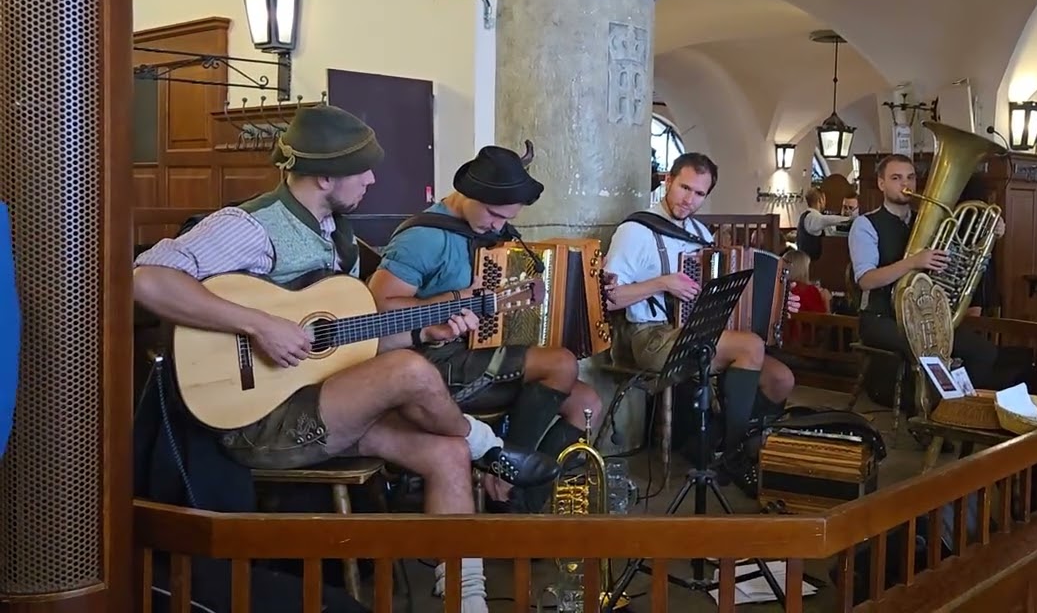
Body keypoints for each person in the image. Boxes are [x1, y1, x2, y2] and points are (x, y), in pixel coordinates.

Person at [133, 106, 557, 613]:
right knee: (410, 375)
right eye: (363, 169)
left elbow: (350, 340)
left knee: (444, 453)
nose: (373, 179)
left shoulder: (338, 235)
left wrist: (425, 328)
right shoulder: (251, 226)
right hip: (254, 418)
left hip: (321, 400)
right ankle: (484, 441)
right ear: (325, 174)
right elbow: (147, 278)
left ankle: (468, 603)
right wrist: (259, 324)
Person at [368, 144, 602, 512]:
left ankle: (520, 513)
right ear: (467, 194)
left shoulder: (491, 232)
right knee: (560, 364)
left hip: (476, 356)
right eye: (494, 214)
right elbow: (379, 309)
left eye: (505, 217)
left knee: (586, 403)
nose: (498, 225)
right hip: (431, 365)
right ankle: (506, 467)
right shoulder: (424, 236)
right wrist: (451, 303)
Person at [603, 152, 800, 461]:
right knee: (749, 347)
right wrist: (662, 283)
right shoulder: (635, 231)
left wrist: (776, 301)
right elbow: (610, 297)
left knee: (780, 378)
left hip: (700, 330)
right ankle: (733, 455)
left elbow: (725, 295)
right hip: (652, 337)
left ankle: (722, 440)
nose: (689, 200)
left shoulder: (700, 235)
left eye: (699, 194)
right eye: (684, 188)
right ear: (668, 181)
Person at [849, 154, 1006, 414]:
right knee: (929, 348)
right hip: (880, 317)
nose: (905, 184)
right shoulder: (865, 224)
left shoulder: (931, 221)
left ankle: (953, 414)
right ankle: (927, 417)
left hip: (925, 316)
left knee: (984, 352)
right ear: (881, 184)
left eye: (910, 177)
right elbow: (866, 280)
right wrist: (914, 262)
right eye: (896, 178)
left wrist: (991, 230)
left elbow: (958, 259)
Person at [796, 188, 854, 261]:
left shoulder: (805, 216)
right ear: (820, 200)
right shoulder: (812, 217)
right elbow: (827, 220)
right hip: (811, 264)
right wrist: (851, 219)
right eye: (824, 200)